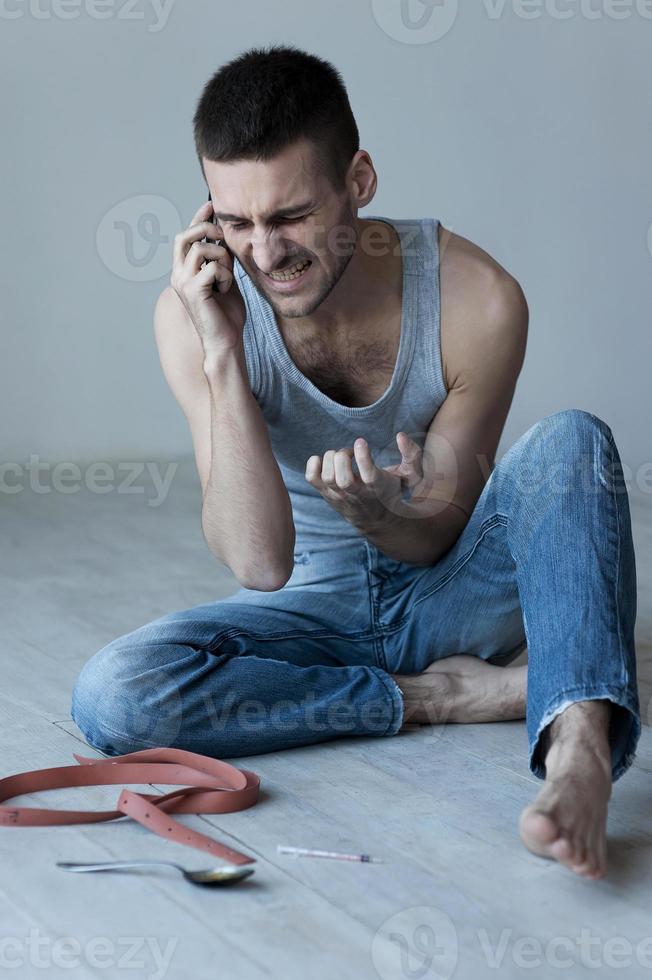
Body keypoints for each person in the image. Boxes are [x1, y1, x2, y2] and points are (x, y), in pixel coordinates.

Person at [71, 44, 640, 881]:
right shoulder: (191, 317)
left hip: (451, 596)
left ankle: (580, 749)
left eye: (291, 216)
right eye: (235, 222)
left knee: (573, 442)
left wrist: (384, 515)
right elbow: (260, 563)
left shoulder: (477, 298)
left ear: (359, 181)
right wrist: (225, 354)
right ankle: (464, 694)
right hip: (310, 618)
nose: (265, 254)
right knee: (112, 694)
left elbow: (437, 531)